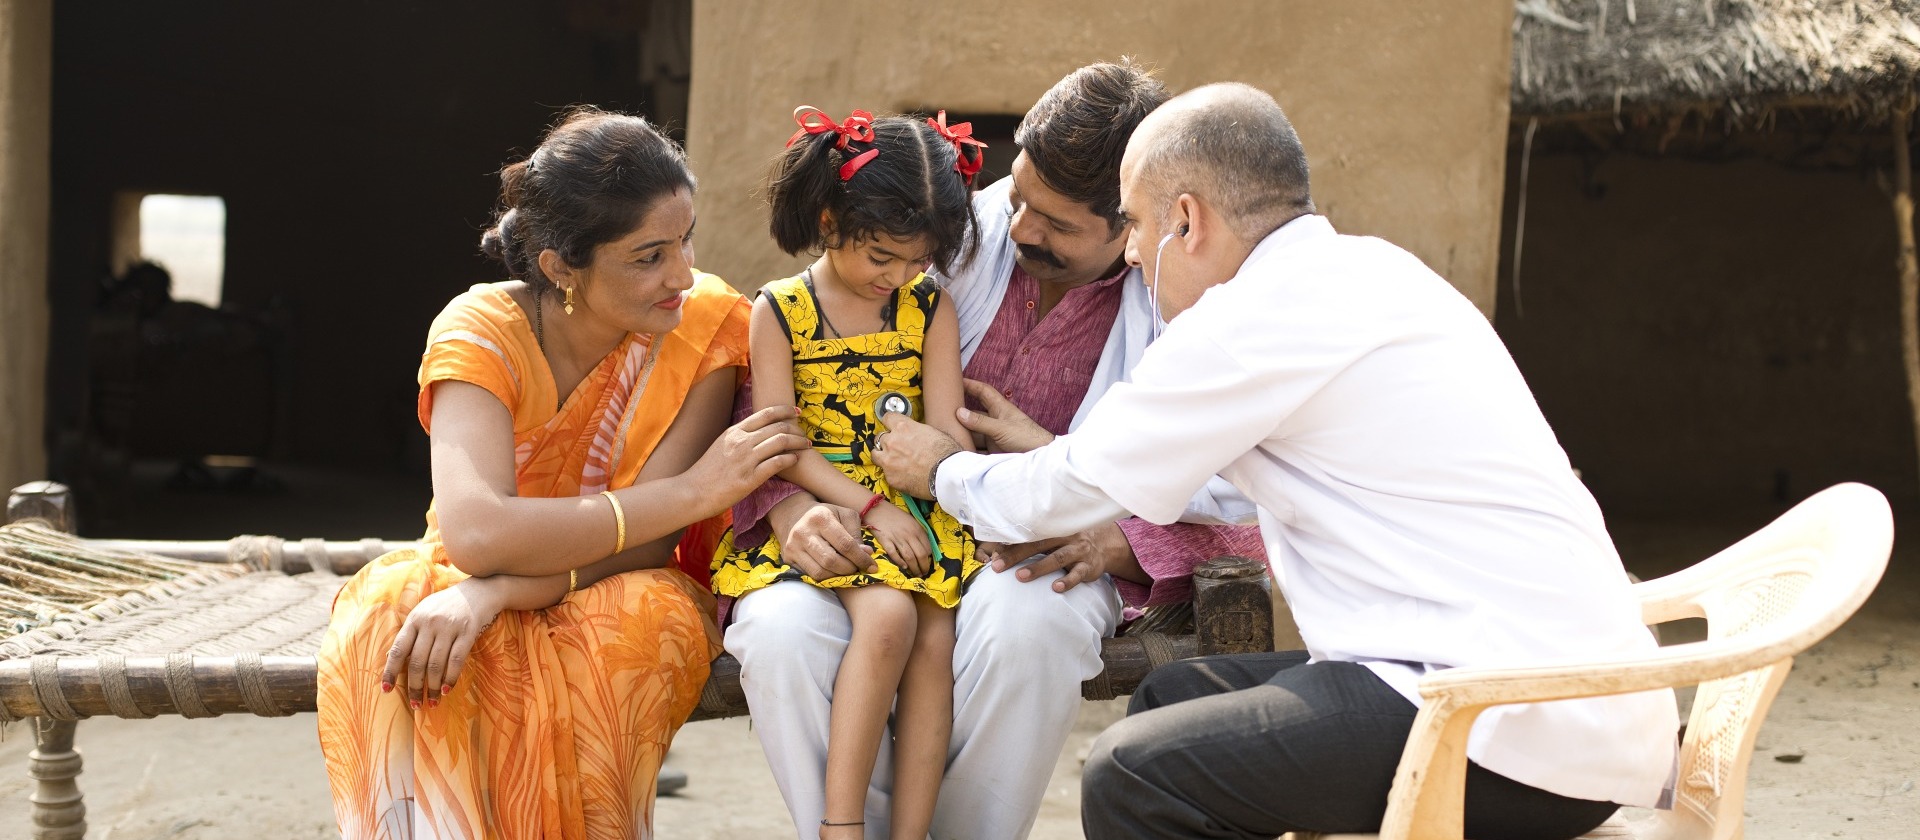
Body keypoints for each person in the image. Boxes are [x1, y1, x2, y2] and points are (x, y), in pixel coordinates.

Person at [873, 83, 1679, 840]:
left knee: (1132, 776)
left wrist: (941, 470)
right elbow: (1137, 470)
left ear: (1186, 221)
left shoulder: (1248, 323)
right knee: (1168, 698)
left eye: (1138, 226)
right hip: (1554, 695)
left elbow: (1082, 484)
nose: (1133, 257)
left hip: (1513, 729)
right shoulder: (1371, 272)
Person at [722, 61, 1267, 839]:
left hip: (1034, 553)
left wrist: (1118, 538)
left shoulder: (1191, 305)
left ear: (1132, 222)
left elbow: (1241, 494)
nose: (1020, 231)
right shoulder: (938, 227)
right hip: (865, 520)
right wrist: (791, 508)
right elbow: (782, 379)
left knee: (1026, 627)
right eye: (1020, 197)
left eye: (1058, 224)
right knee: (782, 634)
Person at [315, 108, 808, 839]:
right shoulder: (480, 331)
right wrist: (698, 490)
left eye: (685, 241)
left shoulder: (706, 325)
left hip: (619, 581)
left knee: (629, 623)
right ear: (559, 267)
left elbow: (652, 543)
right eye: (648, 257)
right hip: (469, 568)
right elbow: (476, 533)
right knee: (395, 606)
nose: (681, 274)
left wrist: (501, 592)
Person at [710, 106, 986, 840]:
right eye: (880, 257)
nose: (893, 277)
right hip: (835, 511)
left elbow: (944, 430)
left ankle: (910, 833)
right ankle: (841, 827)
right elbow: (784, 445)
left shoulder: (930, 310)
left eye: (915, 261)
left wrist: (935, 495)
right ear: (830, 221)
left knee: (936, 642)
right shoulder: (781, 311)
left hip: (921, 509)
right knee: (892, 616)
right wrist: (872, 510)